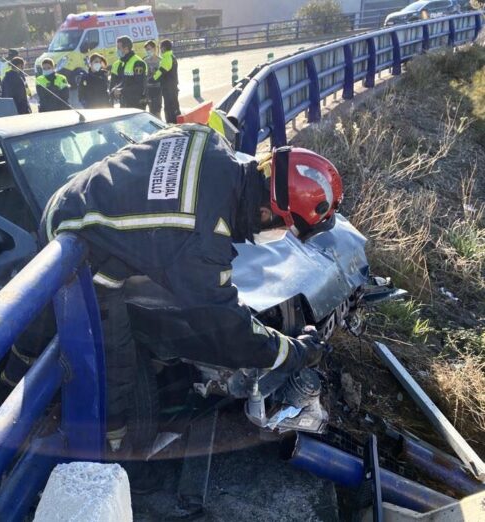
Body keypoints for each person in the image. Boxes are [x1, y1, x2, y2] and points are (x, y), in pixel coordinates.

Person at [38, 125, 341, 456]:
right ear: (265, 213)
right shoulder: (200, 239)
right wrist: (294, 352)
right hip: (72, 240)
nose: (280, 234)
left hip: (78, 195)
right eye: (284, 228)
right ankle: (111, 452)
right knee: (115, 362)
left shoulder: (206, 138)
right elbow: (229, 330)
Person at [109, 36, 147, 110]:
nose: (117, 50)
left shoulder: (138, 62)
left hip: (136, 103)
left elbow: (139, 86)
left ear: (126, 48)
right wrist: (114, 90)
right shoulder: (123, 62)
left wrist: (121, 91)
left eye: (118, 48)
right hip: (125, 102)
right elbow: (122, 82)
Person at [152, 39, 180, 124]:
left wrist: (152, 79)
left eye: (160, 47)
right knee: (174, 107)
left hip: (168, 88)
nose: (160, 49)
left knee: (169, 108)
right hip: (172, 86)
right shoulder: (172, 56)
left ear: (163, 48)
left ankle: (172, 124)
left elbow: (161, 72)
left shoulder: (166, 58)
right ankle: (177, 123)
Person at [143, 40, 162, 118]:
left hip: (158, 88)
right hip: (148, 89)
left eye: (149, 49)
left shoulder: (160, 60)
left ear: (154, 49)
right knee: (151, 111)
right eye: (146, 50)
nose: (148, 51)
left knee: (157, 111)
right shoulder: (144, 61)